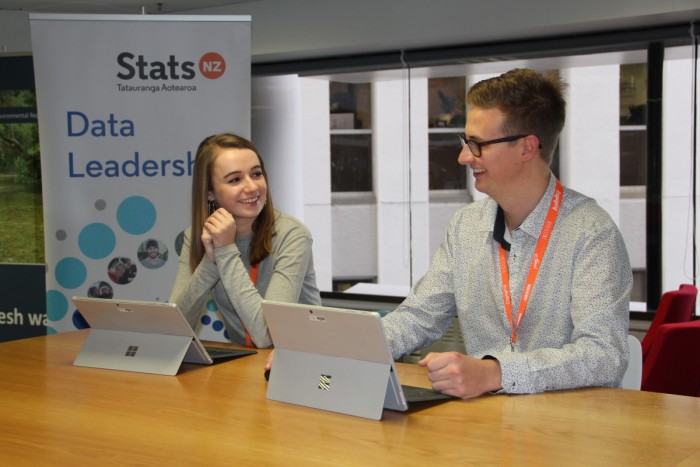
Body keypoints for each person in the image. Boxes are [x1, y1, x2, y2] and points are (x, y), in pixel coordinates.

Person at [380, 68, 633, 398]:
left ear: (527, 148)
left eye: (477, 144)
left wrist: (494, 372)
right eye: (465, 142)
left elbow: (604, 356)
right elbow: (419, 317)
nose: (463, 156)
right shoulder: (466, 226)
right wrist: (349, 343)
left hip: (566, 430)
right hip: (483, 422)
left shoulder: (591, 233)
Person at [169, 133, 322, 348]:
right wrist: (210, 263)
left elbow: (267, 336)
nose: (252, 187)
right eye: (235, 180)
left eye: (256, 174)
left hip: (301, 362)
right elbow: (175, 330)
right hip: (244, 366)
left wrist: (226, 252)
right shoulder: (197, 236)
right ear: (210, 193)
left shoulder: (292, 235)